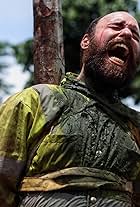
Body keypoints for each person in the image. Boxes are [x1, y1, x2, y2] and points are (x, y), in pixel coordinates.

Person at [0, 10, 140, 207]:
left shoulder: (135, 126)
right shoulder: (34, 101)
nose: (126, 34)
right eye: (116, 26)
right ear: (85, 42)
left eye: (135, 35)